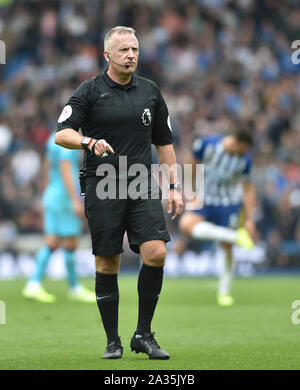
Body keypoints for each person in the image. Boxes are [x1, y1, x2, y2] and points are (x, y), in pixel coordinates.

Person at [54, 26, 183, 360]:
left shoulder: (151, 92)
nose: (131, 55)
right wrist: (88, 141)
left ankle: (144, 334)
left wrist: (173, 186)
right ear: (107, 55)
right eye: (124, 50)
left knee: (156, 252)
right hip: (103, 182)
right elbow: (62, 134)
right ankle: (113, 341)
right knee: (108, 261)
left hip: (141, 181)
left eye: (135, 49)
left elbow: (164, 143)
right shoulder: (89, 91)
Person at [178, 128, 256, 306]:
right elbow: (191, 164)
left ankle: (224, 292)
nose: (244, 152)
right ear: (236, 142)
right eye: (243, 148)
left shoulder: (245, 160)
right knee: (185, 224)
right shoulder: (207, 145)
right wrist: (190, 192)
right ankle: (236, 236)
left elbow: (249, 188)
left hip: (228, 204)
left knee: (226, 247)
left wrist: (250, 219)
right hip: (204, 198)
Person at [22, 132, 95, 303]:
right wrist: (74, 200)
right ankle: (74, 287)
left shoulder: (52, 138)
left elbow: (47, 165)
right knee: (69, 242)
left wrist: (46, 190)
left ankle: (34, 284)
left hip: (52, 195)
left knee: (53, 241)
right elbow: (65, 169)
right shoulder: (69, 141)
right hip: (63, 198)